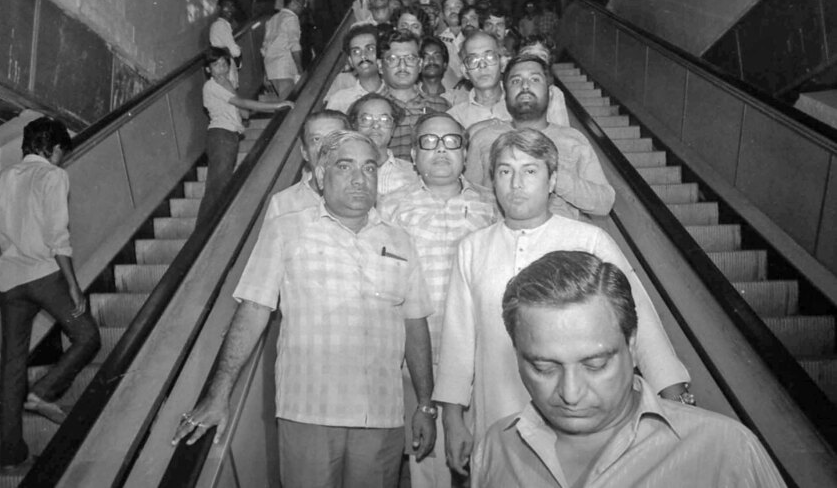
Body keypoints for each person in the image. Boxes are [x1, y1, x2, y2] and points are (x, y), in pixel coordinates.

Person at [173, 131, 437, 488]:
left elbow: (415, 324)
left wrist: (425, 404)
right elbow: (253, 311)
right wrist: (218, 393)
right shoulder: (286, 230)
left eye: (369, 168)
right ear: (321, 174)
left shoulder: (400, 240)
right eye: (345, 166)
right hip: (308, 412)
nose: (359, 178)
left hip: (381, 416)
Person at [434, 128, 691, 479]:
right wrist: (452, 419)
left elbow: (640, 321)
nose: (516, 183)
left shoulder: (589, 240)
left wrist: (674, 395)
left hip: (583, 417)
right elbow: (458, 342)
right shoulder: (473, 248)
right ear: (493, 180)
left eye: (530, 171)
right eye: (505, 171)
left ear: (552, 180)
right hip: (498, 413)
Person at [474, 250, 785, 488]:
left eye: (595, 364)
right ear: (516, 355)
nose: (571, 393)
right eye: (543, 367)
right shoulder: (495, 448)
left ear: (632, 346)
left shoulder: (729, 452)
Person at [0, 117, 101, 469]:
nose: (61, 160)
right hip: (45, 276)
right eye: (62, 154)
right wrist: (73, 285)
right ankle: (43, 392)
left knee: (12, 365)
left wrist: (10, 232)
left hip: (11, 283)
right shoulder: (53, 176)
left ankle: (11, 456)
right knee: (87, 336)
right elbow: (58, 236)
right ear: (55, 148)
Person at [380, 113, 497, 488]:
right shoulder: (388, 209)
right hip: (416, 360)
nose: (441, 150)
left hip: (482, 360)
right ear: (414, 154)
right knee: (429, 471)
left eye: (451, 141)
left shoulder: (493, 206)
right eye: (429, 142)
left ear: (465, 153)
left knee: (491, 464)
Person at [465, 55, 611, 219]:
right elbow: (467, 198)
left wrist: (554, 174)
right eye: (516, 81)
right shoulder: (483, 138)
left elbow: (604, 203)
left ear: (550, 93)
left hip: (558, 234)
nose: (525, 86)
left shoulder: (573, 140)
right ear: (505, 95)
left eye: (534, 79)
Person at [196, 47, 293, 226]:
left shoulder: (225, 85)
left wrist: (230, 87)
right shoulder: (211, 86)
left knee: (222, 185)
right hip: (220, 136)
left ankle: (212, 226)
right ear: (208, 69)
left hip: (230, 137)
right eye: (216, 65)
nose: (221, 69)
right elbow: (242, 103)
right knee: (217, 187)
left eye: (224, 64)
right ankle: (203, 230)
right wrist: (276, 105)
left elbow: (244, 113)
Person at [265, 110, 350, 220]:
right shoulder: (282, 204)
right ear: (305, 152)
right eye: (316, 139)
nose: (325, 147)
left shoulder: (369, 198)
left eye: (335, 137)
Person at [380, 30, 450, 160]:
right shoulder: (368, 109)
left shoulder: (442, 107)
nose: (402, 65)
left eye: (410, 58)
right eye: (393, 59)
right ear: (380, 65)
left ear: (420, 64)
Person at [348, 93, 418, 196]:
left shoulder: (413, 175)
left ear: (393, 128)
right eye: (366, 119)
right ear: (354, 125)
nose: (375, 125)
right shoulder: (342, 171)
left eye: (384, 120)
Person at [446, 32, 509, 129]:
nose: (482, 65)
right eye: (473, 60)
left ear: (503, 64)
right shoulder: (455, 119)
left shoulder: (522, 105)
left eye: (490, 57)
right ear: (464, 71)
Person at [325, 24, 387, 113]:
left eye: (370, 49)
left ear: (380, 55)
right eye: (356, 51)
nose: (363, 55)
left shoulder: (396, 94)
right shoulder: (339, 101)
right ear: (350, 61)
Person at [261, 0, 306, 99]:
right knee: (288, 103)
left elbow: (265, 48)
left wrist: (266, 73)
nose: (303, 7)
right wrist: (300, 70)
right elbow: (294, 45)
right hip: (284, 68)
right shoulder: (291, 18)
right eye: (302, 4)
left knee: (284, 101)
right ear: (294, 2)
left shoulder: (273, 19)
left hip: (272, 68)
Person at [418, 35, 461, 106]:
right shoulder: (410, 96)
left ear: (445, 64)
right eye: (425, 56)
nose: (431, 60)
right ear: (418, 64)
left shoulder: (458, 100)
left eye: (437, 56)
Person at [209, 0, 242, 87]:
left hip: (224, 66)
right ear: (219, 8)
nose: (230, 9)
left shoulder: (223, 25)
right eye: (226, 6)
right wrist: (237, 49)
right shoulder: (220, 25)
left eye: (232, 6)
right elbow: (235, 52)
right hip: (223, 68)